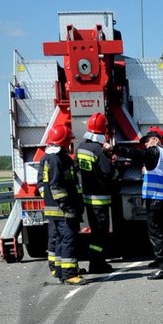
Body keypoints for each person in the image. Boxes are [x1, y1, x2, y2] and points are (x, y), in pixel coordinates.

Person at [123, 126, 163, 279]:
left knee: (156, 234)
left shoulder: (155, 152)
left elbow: (137, 154)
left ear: (156, 140)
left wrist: (117, 149)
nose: (146, 145)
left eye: (147, 141)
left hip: (155, 199)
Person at [38, 122, 84, 284]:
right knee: (68, 239)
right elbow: (57, 186)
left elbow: (42, 185)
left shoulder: (46, 158)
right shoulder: (58, 159)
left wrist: (49, 201)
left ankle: (59, 270)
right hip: (63, 209)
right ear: (64, 141)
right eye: (68, 140)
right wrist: (67, 206)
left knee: (59, 239)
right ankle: (69, 274)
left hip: (53, 209)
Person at [76, 112, 116, 274]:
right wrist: (111, 158)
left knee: (95, 231)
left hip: (88, 197)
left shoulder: (81, 147)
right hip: (101, 199)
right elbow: (109, 173)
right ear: (103, 130)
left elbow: (77, 167)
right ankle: (97, 263)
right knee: (100, 233)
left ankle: (97, 262)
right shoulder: (98, 150)